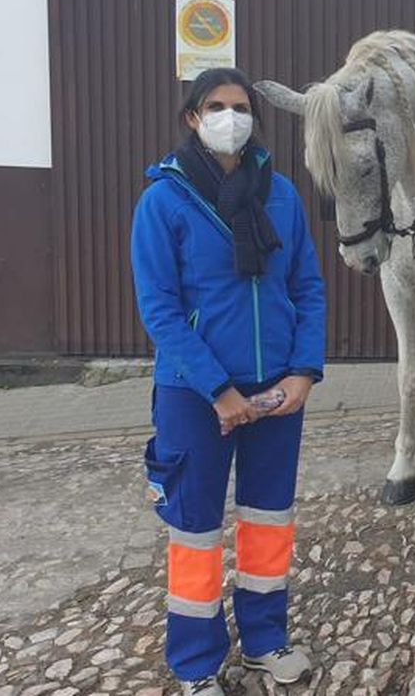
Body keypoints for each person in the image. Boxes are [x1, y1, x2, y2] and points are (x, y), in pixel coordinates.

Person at [130, 68, 327, 695]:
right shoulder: (165, 200)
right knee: (195, 530)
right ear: (192, 117)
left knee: (269, 522)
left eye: (239, 107)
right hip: (196, 395)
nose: (229, 117)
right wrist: (219, 390)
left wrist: (303, 371)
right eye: (214, 106)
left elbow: (307, 288)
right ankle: (196, 664)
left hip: (277, 392)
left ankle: (266, 641)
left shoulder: (282, 196)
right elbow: (159, 308)